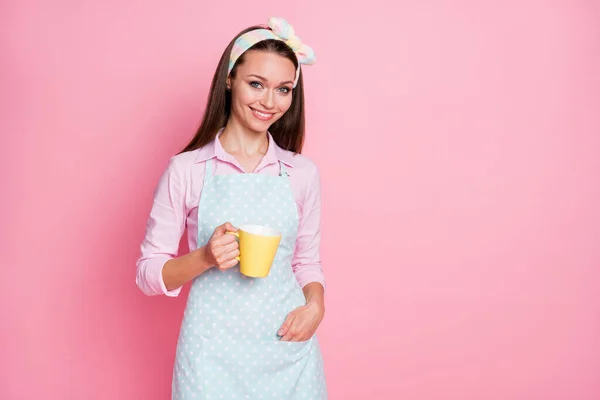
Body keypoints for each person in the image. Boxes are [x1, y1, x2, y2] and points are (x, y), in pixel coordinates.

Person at [135, 16, 328, 399]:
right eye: (256, 84)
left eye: (284, 89)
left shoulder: (301, 173)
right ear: (229, 80)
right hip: (211, 355)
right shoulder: (187, 170)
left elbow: (305, 261)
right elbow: (148, 273)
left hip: (286, 346)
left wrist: (316, 306)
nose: (269, 102)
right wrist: (204, 257)